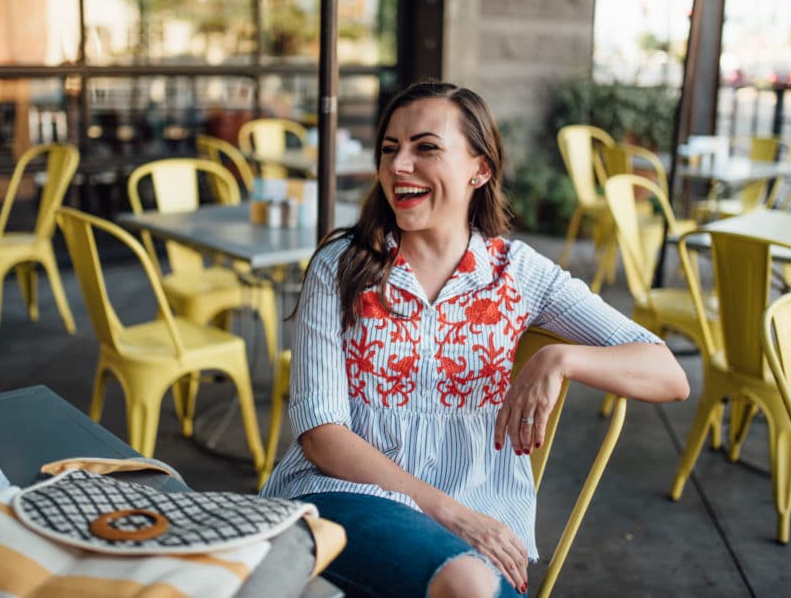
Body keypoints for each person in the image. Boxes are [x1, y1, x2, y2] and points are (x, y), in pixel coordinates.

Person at [260, 81, 689, 597]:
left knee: (475, 581)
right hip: (342, 497)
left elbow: (668, 373)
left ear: (479, 169)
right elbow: (322, 435)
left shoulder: (518, 274)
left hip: (483, 530)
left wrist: (560, 358)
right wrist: (452, 515)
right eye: (390, 149)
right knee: (467, 582)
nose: (399, 166)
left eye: (426, 147)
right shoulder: (341, 266)